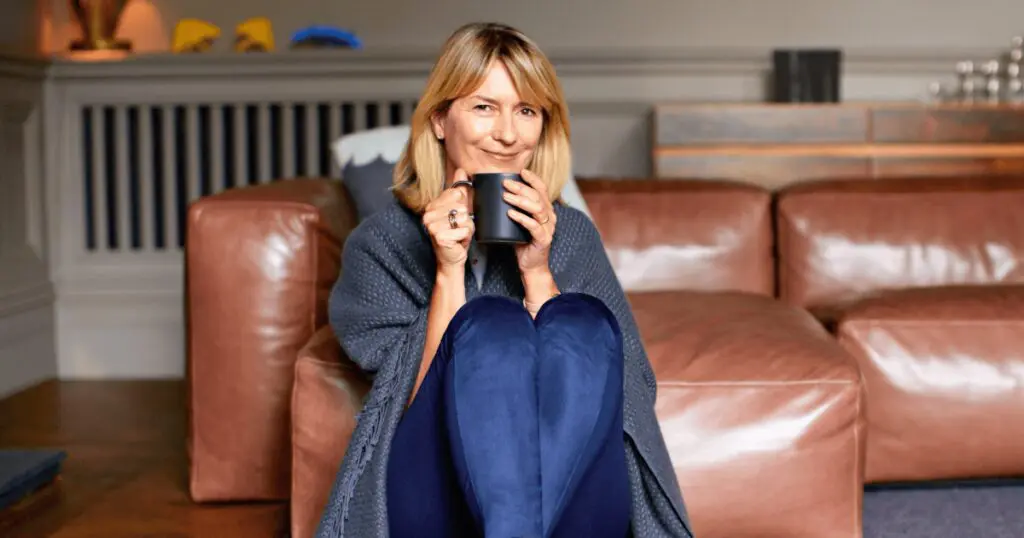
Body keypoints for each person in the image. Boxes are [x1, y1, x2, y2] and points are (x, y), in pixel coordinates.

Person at [316, 22, 694, 538]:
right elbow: (402, 402)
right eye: (484, 107)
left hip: (576, 502)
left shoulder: (572, 235)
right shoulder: (382, 241)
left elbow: (630, 393)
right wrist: (448, 270)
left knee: (582, 318)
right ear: (440, 121)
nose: (508, 134)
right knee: (492, 323)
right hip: (438, 491)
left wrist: (537, 270)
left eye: (526, 111)